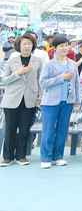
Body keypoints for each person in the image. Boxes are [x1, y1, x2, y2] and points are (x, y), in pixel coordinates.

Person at [39, 34, 81, 168]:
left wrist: (77, 100)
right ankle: (46, 158)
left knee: (62, 129)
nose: (65, 48)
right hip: (50, 102)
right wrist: (61, 78)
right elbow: (43, 82)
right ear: (55, 48)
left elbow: (76, 83)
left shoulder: (72, 64)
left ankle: (58, 156)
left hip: (67, 101)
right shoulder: (49, 64)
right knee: (48, 129)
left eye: (66, 46)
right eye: (61, 46)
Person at [0, 33, 43, 166]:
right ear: (19, 45)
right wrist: (18, 73)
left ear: (33, 45)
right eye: (24, 44)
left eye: (29, 44)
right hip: (12, 99)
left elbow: (39, 80)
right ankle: (8, 157)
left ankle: (21, 156)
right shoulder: (12, 60)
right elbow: (4, 80)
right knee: (10, 128)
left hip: (30, 98)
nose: (27, 46)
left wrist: (40, 97)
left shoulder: (37, 61)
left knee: (25, 129)